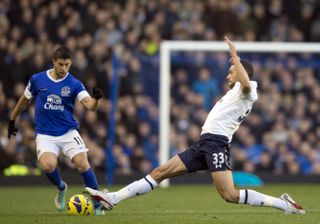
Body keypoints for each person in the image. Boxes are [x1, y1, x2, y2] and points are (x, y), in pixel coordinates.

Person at [85, 37, 305, 214]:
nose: (228, 73)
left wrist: (234, 56)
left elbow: (245, 82)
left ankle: (282, 204)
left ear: (240, 72)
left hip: (216, 144)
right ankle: (113, 198)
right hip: (204, 143)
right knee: (160, 172)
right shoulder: (235, 92)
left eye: (231, 70)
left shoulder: (248, 91)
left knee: (229, 195)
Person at [7, 46, 105, 215]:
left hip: (68, 132)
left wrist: (96, 99)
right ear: (53, 61)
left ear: (71, 63)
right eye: (60, 64)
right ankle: (61, 187)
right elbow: (24, 100)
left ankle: (97, 203)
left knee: (82, 164)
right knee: (48, 165)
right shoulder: (37, 79)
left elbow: (90, 106)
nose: (63, 68)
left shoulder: (74, 83)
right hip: (45, 134)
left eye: (67, 65)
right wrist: (12, 119)